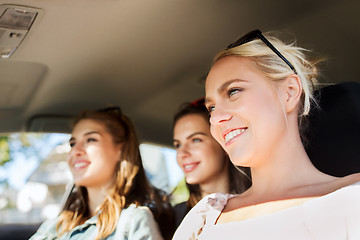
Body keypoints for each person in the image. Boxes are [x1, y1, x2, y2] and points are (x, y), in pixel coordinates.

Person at [172, 29, 360, 239]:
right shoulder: (203, 217)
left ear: (289, 91)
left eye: (233, 91)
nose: (215, 119)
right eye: (212, 108)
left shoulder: (353, 198)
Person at [30, 107, 174, 240]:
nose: (75, 151)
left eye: (90, 139)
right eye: (72, 143)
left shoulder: (132, 220)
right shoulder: (54, 227)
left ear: (121, 150)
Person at [172, 99, 251, 228]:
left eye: (195, 140)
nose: (182, 153)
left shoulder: (258, 208)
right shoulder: (170, 218)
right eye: (178, 145)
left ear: (223, 141)